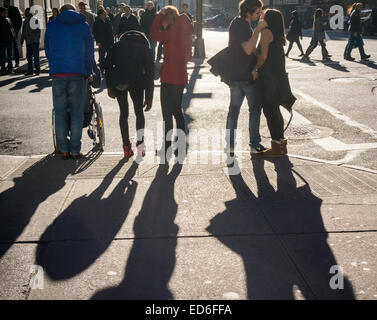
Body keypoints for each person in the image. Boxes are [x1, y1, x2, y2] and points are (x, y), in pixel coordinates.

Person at [45, 4, 94, 160]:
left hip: (58, 73)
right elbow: (89, 51)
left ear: (61, 11)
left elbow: (47, 49)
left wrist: (54, 65)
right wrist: (87, 71)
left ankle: (63, 149)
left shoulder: (52, 25)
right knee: (76, 113)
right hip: (77, 72)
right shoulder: (83, 26)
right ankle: (74, 150)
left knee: (59, 112)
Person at [150, 6, 193, 158]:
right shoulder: (184, 32)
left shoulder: (170, 33)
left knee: (166, 114)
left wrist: (158, 16)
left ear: (168, 18)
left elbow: (153, 34)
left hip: (168, 77)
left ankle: (167, 147)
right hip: (180, 76)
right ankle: (180, 146)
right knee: (177, 111)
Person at [104, 30, 154, 158]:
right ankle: (140, 146)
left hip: (120, 81)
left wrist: (109, 86)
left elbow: (107, 66)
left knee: (123, 113)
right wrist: (149, 97)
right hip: (137, 82)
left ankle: (126, 147)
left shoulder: (117, 46)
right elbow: (150, 74)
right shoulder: (144, 48)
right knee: (139, 112)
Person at [226, 0, 267, 157]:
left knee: (234, 111)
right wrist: (258, 30)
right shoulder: (242, 25)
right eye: (257, 12)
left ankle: (230, 146)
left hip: (236, 74)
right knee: (254, 110)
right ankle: (254, 144)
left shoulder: (237, 23)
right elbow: (248, 48)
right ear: (248, 13)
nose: (259, 15)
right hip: (244, 76)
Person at [252, 9, 291, 157]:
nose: (261, 15)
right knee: (275, 110)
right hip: (278, 77)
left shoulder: (266, 32)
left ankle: (276, 148)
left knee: (269, 111)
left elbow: (263, 57)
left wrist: (255, 67)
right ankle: (281, 145)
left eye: (263, 14)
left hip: (267, 77)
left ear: (268, 19)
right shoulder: (278, 34)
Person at [20, 7, 41, 76]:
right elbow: (23, 31)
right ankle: (30, 71)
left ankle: (37, 70)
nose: (25, 13)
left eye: (26, 12)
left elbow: (38, 31)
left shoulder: (34, 19)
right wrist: (22, 39)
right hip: (28, 41)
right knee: (29, 57)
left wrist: (36, 40)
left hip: (34, 42)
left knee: (36, 57)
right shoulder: (25, 21)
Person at [93, 8, 113, 74]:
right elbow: (95, 33)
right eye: (104, 14)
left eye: (105, 13)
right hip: (101, 42)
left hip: (109, 41)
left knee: (110, 55)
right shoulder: (96, 22)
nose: (106, 14)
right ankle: (102, 69)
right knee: (101, 56)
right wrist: (98, 41)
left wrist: (112, 41)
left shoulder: (108, 20)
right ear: (100, 15)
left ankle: (109, 68)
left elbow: (110, 32)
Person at [3, 0, 21, 68]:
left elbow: (19, 20)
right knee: (7, 49)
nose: (5, 3)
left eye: (6, 2)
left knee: (15, 47)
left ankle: (17, 62)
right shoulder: (2, 10)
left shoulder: (15, 9)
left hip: (13, 32)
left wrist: (16, 30)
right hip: (5, 34)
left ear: (9, 2)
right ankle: (9, 63)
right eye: (4, 2)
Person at [0, 7, 15, 75]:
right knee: (2, 56)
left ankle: (10, 68)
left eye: (6, 12)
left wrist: (13, 36)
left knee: (10, 55)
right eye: (5, 12)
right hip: (2, 41)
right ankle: (3, 69)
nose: (6, 13)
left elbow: (12, 29)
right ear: (1, 13)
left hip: (9, 40)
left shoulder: (8, 19)